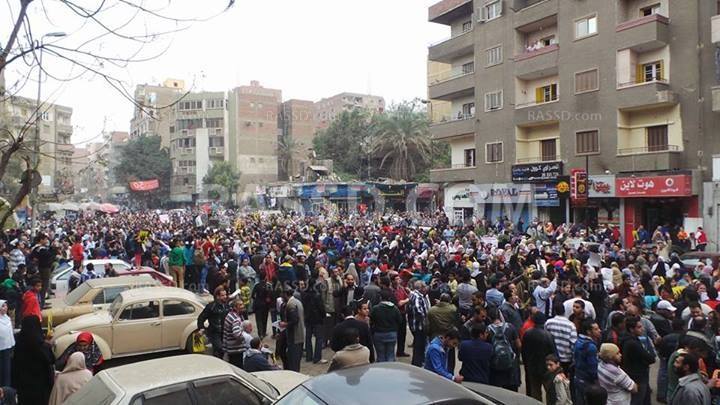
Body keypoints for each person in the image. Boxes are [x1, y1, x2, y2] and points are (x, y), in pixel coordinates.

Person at [11, 316, 54, 405]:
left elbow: (14, 365)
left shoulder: (19, 344)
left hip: (23, 387)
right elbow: (51, 360)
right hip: (41, 388)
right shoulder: (41, 346)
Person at [620, 316, 656, 405]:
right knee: (638, 400)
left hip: (633, 373)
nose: (642, 329)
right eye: (639, 327)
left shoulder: (626, 339)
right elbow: (650, 358)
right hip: (638, 375)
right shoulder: (633, 343)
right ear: (631, 329)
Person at [521, 312, 556, 402]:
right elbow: (553, 352)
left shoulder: (527, 334)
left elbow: (523, 351)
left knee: (535, 392)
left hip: (532, 367)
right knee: (550, 391)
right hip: (546, 368)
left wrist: (526, 364)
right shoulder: (548, 335)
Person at [573, 319, 601, 405]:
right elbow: (593, 367)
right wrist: (596, 381)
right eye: (596, 329)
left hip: (578, 376)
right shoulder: (591, 347)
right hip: (587, 380)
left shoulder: (578, 341)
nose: (599, 330)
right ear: (589, 332)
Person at [369, 290, 402, 362]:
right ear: (389, 298)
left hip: (379, 333)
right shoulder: (395, 308)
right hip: (392, 333)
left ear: (380, 298)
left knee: (380, 355)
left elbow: (371, 320)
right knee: (391, 354)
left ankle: (382, 368)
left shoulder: (375, 308)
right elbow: (400, 320)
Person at [197, 286, 230, 358]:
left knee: (224, 351)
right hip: (214, 333)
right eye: (222, 295)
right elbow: (201, 318)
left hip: (225, 332)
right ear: (217, 296)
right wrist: (201, 328)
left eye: (225, 295)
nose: (225, 297)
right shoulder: (211, 307)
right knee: (219, 349)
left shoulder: (227, 305)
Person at [545, 300, 577, 372]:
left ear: (554, 311)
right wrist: (574, 359)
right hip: (566, 359)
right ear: (564, 311)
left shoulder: (548, 323)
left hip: (552, 358)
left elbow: (546, 338)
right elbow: (573, 344)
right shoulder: (571, 325)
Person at [279, 287, 304, 372]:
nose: (281, 297)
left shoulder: (291, 304)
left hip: (294, 336)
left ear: (286, 294)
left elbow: (294, 320)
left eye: (282, 295)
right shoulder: (297, 302)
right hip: (299, 335)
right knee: (296, 361)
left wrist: (285, 324)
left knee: (293, 361)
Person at [407, 280, 430, 367]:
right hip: (419, 325)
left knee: (421, 344)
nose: (426, 288)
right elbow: (418, 310)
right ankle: (417, 363)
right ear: (420, 288)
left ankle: (420, 361)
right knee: (419, 345)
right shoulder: (417, 296)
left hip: (420, 324)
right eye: (424, 287)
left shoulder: (421, 295)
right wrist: (427, 318)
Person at [223, 298, 247, 368]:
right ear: (235, 307)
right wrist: (245, 336)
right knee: (238, 368)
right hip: (236, 349)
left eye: (242, 304)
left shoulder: (230, 315)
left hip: (230, 348)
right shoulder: (236, 319)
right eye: (240, 305)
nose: (242, 306)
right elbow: (237, 334)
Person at [0, 301, 12, 388]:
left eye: (6, 305)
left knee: (7, 369)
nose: (5, 307)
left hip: (8, 348)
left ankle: (7, 389)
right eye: (3, 306)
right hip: (1, 349)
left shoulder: (7, 318)